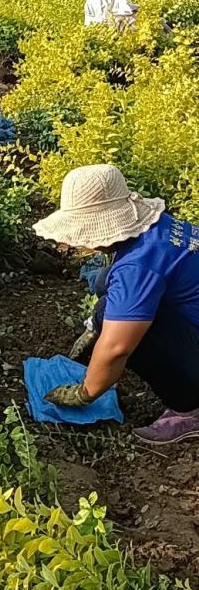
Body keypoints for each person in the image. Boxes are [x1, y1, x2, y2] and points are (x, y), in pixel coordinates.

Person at [34, 164, 199, 446]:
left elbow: (117, 348)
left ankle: (189, 409)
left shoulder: (138, 266)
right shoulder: (157, 229)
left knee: (122, 328)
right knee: (105, 284)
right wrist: (98, 325)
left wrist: (84, 393)